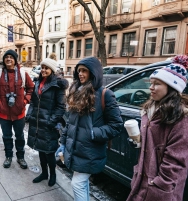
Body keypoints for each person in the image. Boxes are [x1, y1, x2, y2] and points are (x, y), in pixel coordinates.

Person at [55, 57, 123, 201]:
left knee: (77, 183)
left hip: (90, 151)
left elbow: (116, 125)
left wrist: (93, 133)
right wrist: (62, 143)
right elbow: (70, 123)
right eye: (79, 70)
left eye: (84, 70)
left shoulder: (105, 95)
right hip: (76, 149)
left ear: (94, 73)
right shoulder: (76, 92)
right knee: (81, 183)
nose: (80, 74)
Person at [126, 55, 188, 201]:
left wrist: (160, 184)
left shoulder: (181, 117)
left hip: (160, 190)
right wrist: (138, 141)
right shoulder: (150, 110)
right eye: (151, 83)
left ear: (172, 87)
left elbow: (176, 160)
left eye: (157, 84)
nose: (151, 87)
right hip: (142, 180)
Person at [0, 49, 34, 169]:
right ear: (4, 60)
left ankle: (20, 157)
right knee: (7, 137)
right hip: (4, 113)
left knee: (20, 137)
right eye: (6, 57)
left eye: (11, 57)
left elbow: (31, 89)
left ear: (15, 60)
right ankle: (8, 157)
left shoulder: (23, 74)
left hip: (19, 113)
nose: (8, 59)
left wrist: (25, 101)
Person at [26, 58, 68, 186]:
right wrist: (30, 114)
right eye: (42, 67)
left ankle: (53, 175)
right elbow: (33, 101)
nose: (43, 70)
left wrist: (51, 122)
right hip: (37, 122)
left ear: (52, 70)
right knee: (40, 150)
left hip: (48, 124)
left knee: (49, 152)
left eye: (46, 68)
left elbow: (61, 107)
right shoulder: (38, 82)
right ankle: (44, 173)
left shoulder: (57, 85)